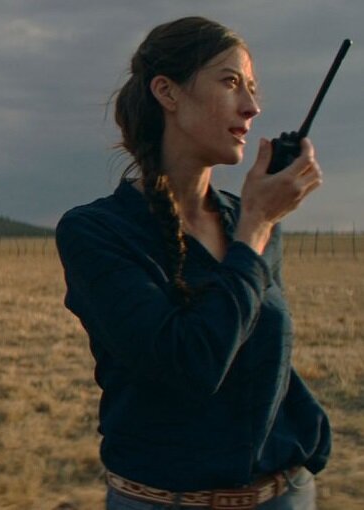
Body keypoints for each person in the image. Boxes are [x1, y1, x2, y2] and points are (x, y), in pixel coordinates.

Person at [54, 17, 331, 509]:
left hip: (284, 495)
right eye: (230, 82)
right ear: (168, 92)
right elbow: (191, 366)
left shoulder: (249, 219)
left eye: (252, 89)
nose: (251, 106)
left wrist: (307, 436)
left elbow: (266, 359)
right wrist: (255, 227)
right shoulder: (96, 232)